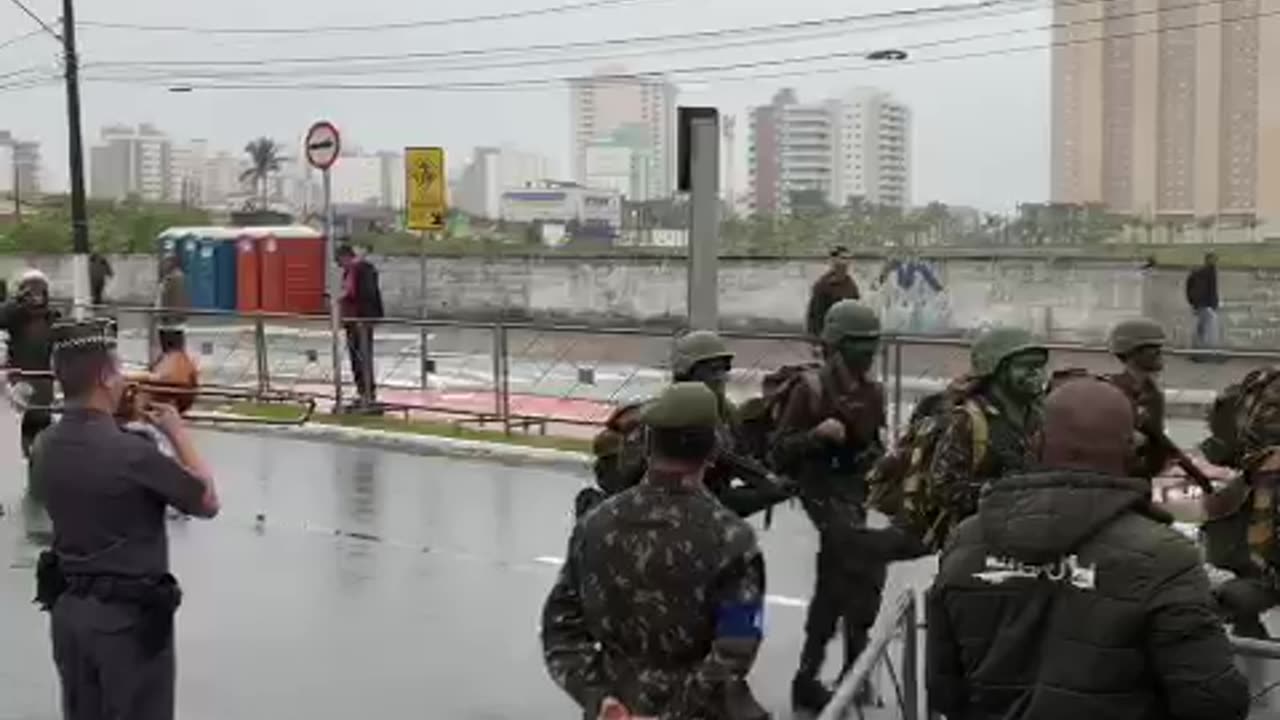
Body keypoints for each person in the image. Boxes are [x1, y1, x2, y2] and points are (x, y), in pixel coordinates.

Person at [926, 377, 1250, 720]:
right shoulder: (1166, 557)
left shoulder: (966, 540)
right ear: (1131, 451)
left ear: (1035, 445)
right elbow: (1213, 703)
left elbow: (945, 689)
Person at [542, 382, 769, 720]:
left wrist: (599, 698)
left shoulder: (596, 525)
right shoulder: (732, 538)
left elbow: (560, 630)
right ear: (713, 450)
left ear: (648, 445)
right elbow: (736, 649)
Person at [31, 319, 220, 720]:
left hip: (69, 616)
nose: (123, 381)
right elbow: (206, 501)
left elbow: (91, 452)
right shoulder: (133, 452)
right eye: (117, 371)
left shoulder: (44, 445)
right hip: (128, 625)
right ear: (103, 376)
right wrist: (176, 432)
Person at [770, 299, 886, 714]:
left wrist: (882, 461)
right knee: (855, 568)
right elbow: (779, 452)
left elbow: (875, 448)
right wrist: (817, 435)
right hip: (819, 489)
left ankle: (828, 673)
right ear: (836, 346)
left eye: (873, 344)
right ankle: (826, 675)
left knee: (846, 578)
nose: (869, 352)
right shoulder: (811, 389)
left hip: (853, 493)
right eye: (860, 344)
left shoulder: (873, 392)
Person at [582, 331, 791, 521]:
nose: (719, 378)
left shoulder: (727, 414)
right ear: (686, 373)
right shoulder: (661, 416)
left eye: (723, 370)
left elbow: (740, 460)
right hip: (651, 507)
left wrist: (769, 481)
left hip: (702, 501)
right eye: (711, 370)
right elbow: (628, 478)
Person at [927, 326, 1047, 548]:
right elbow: (943, 488)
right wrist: (1001, 490)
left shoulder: (1042, 416)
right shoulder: (968, 420)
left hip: (1028, 540)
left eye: (1040, 366)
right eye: (1026, 366)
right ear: (997, 370)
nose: (1037, 374)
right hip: (974, 542)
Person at [1103, 318, 1175, 481]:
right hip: (1118, 482)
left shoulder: (1153, 393)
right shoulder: (1113, 392)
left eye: (1159, 347)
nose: (1159, 352)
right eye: (1151, 347)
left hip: (1143, 480)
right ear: (1130, 352)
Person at [1, 268, 61, 459]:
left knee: (43, 416)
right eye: (30, 291)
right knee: (31, 415)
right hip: (21, 376)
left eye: (39, 291)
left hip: (45, 376)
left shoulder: (51, 316)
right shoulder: (15, 315)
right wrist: (17, 301)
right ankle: (31, 456)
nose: (35, 296)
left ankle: (40, 459)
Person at [336, 244, 384, 411]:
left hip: (361, 320)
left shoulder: (363, 270)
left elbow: (367, 294)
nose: (340, 266)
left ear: (346, 257)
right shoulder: (351, 271)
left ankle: (368, 393)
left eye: (340, 261)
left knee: (363, 356)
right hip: (352, 320)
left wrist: (363, 318)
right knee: (356, 357)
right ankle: (362, 391)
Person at [805, 246, 860, 339]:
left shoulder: (850, 284)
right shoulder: (822, 285)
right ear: (834, 261)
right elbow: (816, 316)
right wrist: (817, 341)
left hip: (847, 336)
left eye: (849, 259)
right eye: (843, 258)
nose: (846, 262)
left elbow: (856, 307)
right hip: (829, 336)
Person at [1185, 252, 1220, 353]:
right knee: (1206, 325)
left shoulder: (1198, 272)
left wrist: (1192, 301)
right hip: (1204, 303)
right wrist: (1213, 304)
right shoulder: (1210, 271)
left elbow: (1190, 286)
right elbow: (1212, 289)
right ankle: (1204, 348)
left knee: (1202, 325)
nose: (1215, 262)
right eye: (1214, 259)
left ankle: (1197, 347)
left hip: (1200, 303)